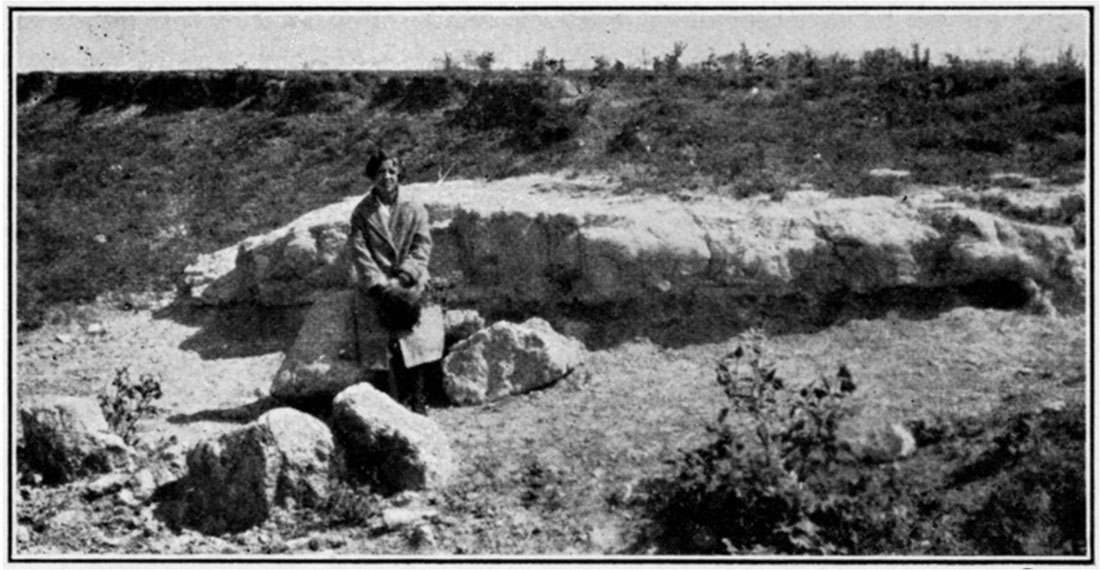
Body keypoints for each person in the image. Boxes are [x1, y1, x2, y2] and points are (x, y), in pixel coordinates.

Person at [347, 149, 443, 414]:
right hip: (377, 283)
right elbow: (359, 251)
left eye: (392, 171)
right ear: (372, 176)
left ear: (399, 173)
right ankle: (391, 399)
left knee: (416, 335)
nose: (387, 177)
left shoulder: (415, 208)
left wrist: (404, 277)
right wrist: (379, 283)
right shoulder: (362, 213)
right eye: (380, 172)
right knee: (380, 337)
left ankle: (419, 397)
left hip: (409, 280)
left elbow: (422, 246)